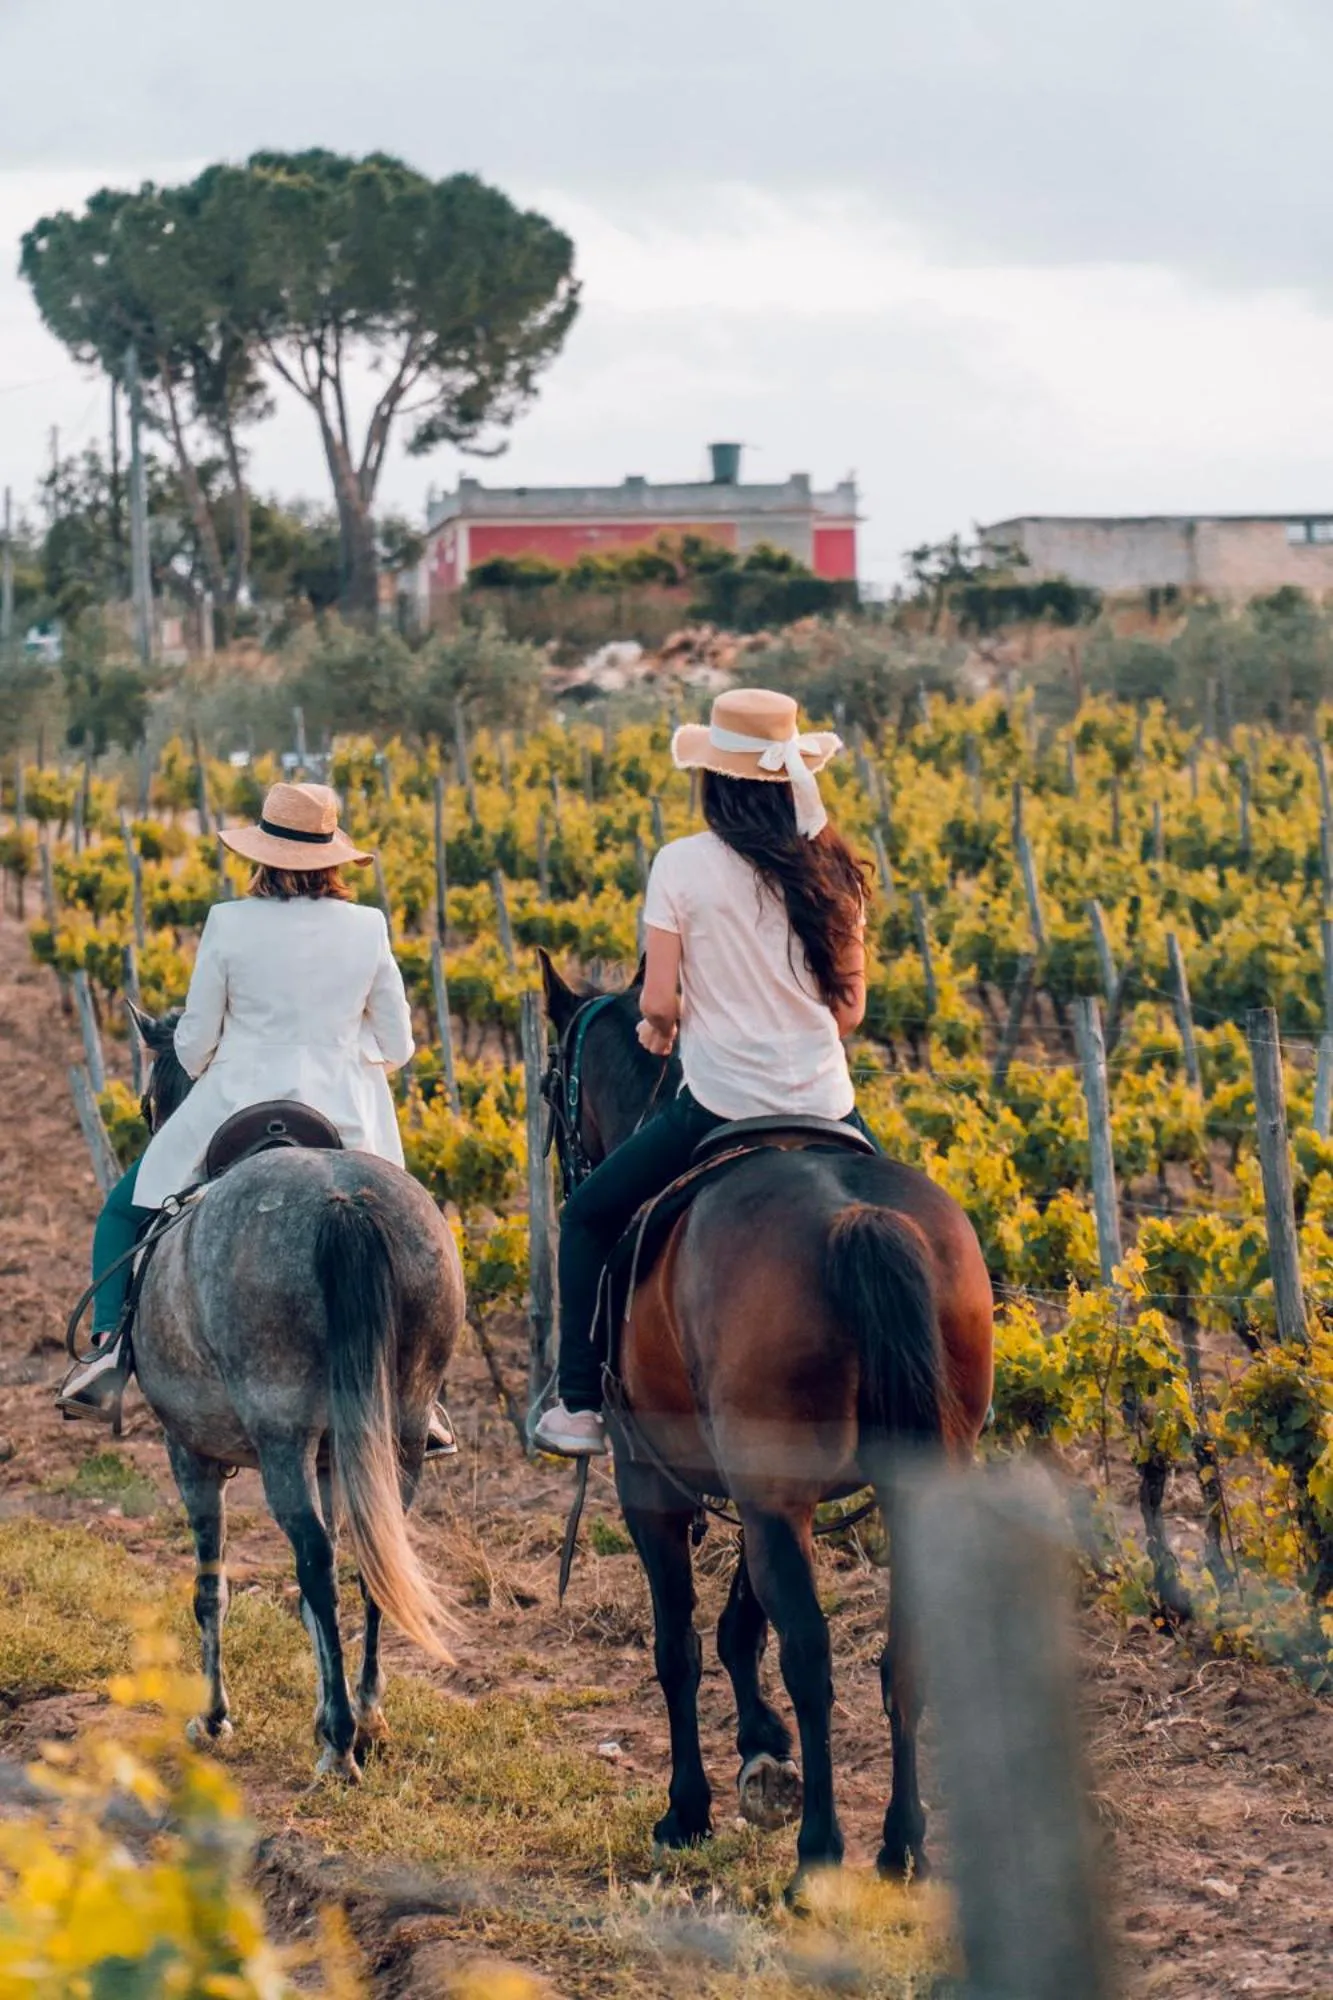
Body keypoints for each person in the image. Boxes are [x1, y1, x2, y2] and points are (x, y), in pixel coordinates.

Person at [58, 780, 457, 1457]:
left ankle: (109, 1350)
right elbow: (398, 1046)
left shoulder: (228, 921)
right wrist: (338, 1053)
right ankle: (421, 1392)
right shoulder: (367, 927)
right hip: (344, 1126)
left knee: (123, 1215)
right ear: (332, 857)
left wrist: (236, 1051)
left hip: (236, 1111)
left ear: (263, 856)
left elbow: (191, 1044)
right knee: (413, 1239)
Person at [533, 687, 876, 1458]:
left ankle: (579, 1404)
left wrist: (661, 1027)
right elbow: (847, 1014)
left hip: (720, 1104)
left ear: (713, 780)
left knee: (587, 1215)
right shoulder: (837, 869)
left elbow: (655, 998)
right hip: (826, 1102)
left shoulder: (682, 863)